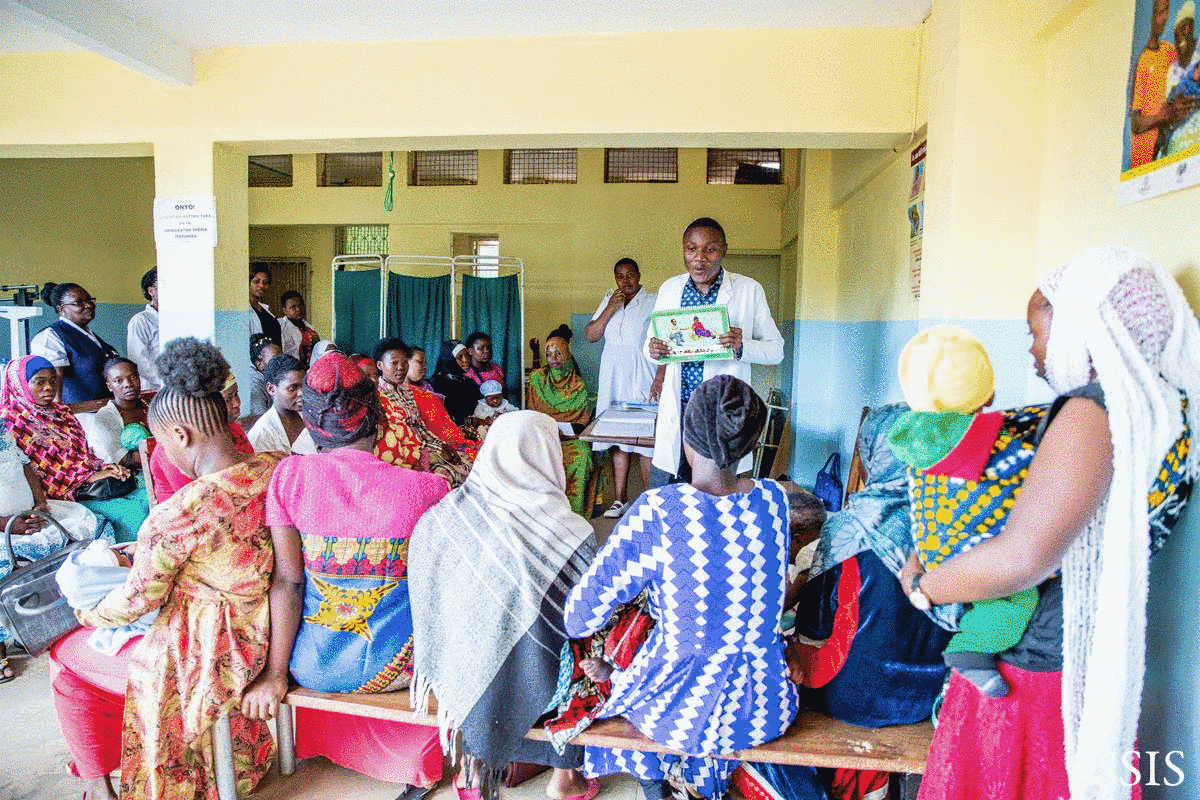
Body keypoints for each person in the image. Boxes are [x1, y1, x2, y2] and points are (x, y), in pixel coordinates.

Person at [911, 246, 1200, 800]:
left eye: (1036, 334)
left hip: (1033, 678)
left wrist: (927, 587)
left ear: (1082, 332)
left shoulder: (1094, 412)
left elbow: (1024, 558)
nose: (1033, 352)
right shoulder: (1162, 406)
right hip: (1080, 660)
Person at [58, 337, 284, 800]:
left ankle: (101, 782)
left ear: (179, 435)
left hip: (213, 649)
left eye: (160, 440)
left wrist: (90, 615)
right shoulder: (279, 469)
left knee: (65, 656)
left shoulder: (182, 510)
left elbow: (137, 599)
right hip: (276, 630)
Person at [565, 376, 799, 800]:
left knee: (615, 653)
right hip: (766, 705)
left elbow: (579, 615)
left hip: (679, 711)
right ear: (749, 445)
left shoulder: (661, 509)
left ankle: (651, 783)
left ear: (685, 439)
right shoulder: (774, 500)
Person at [240, 351, 447, 794]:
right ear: (377, 415)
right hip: (398, 671)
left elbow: (288, 583)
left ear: (311, 421)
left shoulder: (287, 477)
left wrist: (276, 675)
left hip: (312, 666)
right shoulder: (427, 488)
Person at [409, 410, 597, 800]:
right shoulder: (572, 531)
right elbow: (584, 620)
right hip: (543, 687)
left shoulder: (444, 515)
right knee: (583, 651)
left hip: (458, 664)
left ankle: (471, 769)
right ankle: (565, 778)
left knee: (474, 631)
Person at [886, 326, 1036, 698]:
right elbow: (1025, 481)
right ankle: (971, 649)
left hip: (930, 550)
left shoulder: (913, 441)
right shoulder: (1003, 444)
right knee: (1020, 597)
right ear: (990, 393)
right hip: (973, 556)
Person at [644, 218, 784, 486]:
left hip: (723, 414)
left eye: (710, 250)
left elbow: (776, 351)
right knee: (670, 489)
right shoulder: (670, 289)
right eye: (691, 249)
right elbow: (650, 344)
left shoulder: (748, 290)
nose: (699, 259)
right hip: (681, 408)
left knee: (720, 493)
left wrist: (742, 347)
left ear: (724, 250)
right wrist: (653, 349)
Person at [0, 423, 107, 682]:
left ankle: (68, 620)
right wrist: (6, 524)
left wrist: (39, 505)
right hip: (5, 525)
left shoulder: (2, 430)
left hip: (28, 517)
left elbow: (26, 467)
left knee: (90, 530)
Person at [0, 356, 148, 543]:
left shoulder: (62, 413)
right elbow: (36, 471)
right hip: (61, 496)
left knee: (147, 494)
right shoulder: (11, 421)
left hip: (91, 483)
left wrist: (106, 468)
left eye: (54, 380)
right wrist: (86, 478)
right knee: (133, 512)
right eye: (40, 382)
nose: (49, 387)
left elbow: (83, 455)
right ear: (19, 384)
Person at [585, 257, 660, 518]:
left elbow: (664, 340)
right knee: (618, 437)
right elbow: (592, 335)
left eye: (630, 275)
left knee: (644, 440)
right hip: (613, 376)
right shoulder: (609, 300)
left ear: (639, 275)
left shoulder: (653, 300)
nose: (625, 280)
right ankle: (620, 499)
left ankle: (650, 500)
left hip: (642, 374)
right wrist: (609, 309)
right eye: (620, 276)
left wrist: (660, 377)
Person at [374, 338, 475, 487]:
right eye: (394, 363)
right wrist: (435, 452)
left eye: (404, 362)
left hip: (426, 448)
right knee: (446, 478)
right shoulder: (379, 396)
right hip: (406, 455)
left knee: (469, 466)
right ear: (380, 365)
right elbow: (402, 435)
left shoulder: (406, 391)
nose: (401, 368)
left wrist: (442, 445)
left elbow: (420, 427)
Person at [149, 372, 253, 503]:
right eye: (227, 400)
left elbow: (248, 468)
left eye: (236, 394)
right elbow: (195, 502)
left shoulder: (232, 427)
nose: (236, 403)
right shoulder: (172, 449)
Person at [528, 326, 595, 516]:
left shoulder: (578, 385)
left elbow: (583, 421)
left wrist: (565, 429)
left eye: (558, 353)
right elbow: (532, 414)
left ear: (567, 354)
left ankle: (573, 515)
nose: (554, 358)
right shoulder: (537, 379)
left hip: (571, 440)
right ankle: (545, 514)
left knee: (581, 458)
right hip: (543, 436)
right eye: (549, 354)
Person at [31, 283, 119, 404]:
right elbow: (53, 379)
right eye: (79, 303)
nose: (88, 305)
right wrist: (59, 415)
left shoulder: (88, 334)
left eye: (89, 300)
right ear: (61, 309)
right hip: (80, 413)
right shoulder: (51, 336)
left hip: (104, 408)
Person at [77, 358, 149, 469]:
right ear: (109, 386)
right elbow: (124, 459)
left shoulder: (149, 405)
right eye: (119, 381)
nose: (128, 384)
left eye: (133, 377)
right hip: (133, 476)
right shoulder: (105, 417)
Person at [247, 355, 317, 455]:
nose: (301, 393)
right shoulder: (260, 435)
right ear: (271, 389)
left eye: (304, 386)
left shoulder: (314, 418)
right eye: (293, 388)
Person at [431, 340, 483, 426]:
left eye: (467, 356)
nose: (466, 360)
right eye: (460, 357)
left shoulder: (469, 382)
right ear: (450, 359)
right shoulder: (438, 383)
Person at [125, 267, 160, 390]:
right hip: (154, 387)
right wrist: (166, 382)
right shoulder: (141, 320)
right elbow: (139, 360)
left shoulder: (176, 319)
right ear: (152, 291)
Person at [277, 290, 320, 365]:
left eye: (301, 305)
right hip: (290, 370)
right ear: (285, 310)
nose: (299, 309)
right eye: (293, 307)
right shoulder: (280, 325)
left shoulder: (310, 328)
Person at [248, 334, 281, 420]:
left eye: (281, 358)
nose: (281, 363)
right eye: (274, 360)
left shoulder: (275, 376)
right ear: (260, 365)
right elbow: (260, 419)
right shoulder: (255, 385)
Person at [248, 265, 281, 347]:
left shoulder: (265, 310)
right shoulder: (245, 311)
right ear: (248, 283)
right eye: (256, 282)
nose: (261, 286)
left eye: (265, 282)